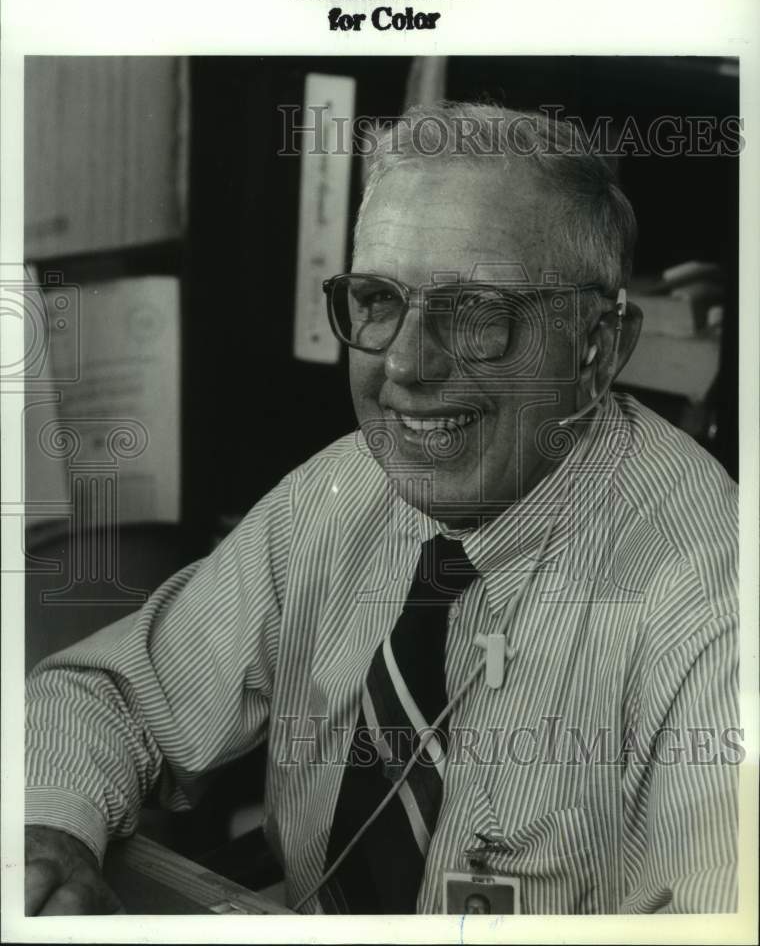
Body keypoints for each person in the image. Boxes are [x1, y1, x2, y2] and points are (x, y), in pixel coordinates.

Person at [25, 102, 739, 915]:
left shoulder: (712, 602)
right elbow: (109, 695)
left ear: (598, 349)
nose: (402, 362)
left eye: (478, 313)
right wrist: (50, 831)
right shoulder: (342, 494)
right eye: (377, 298)